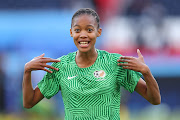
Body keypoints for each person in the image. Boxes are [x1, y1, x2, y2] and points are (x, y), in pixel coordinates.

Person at [22, 8, 161, 120]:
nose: (83, 35)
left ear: (98, 32)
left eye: (89, 30)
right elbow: (29, 102)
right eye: (77, 30)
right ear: (71, 33)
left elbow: (154, 99)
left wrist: (146, 73)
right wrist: (27, 72)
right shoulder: (61, 66)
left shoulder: (115, 63)